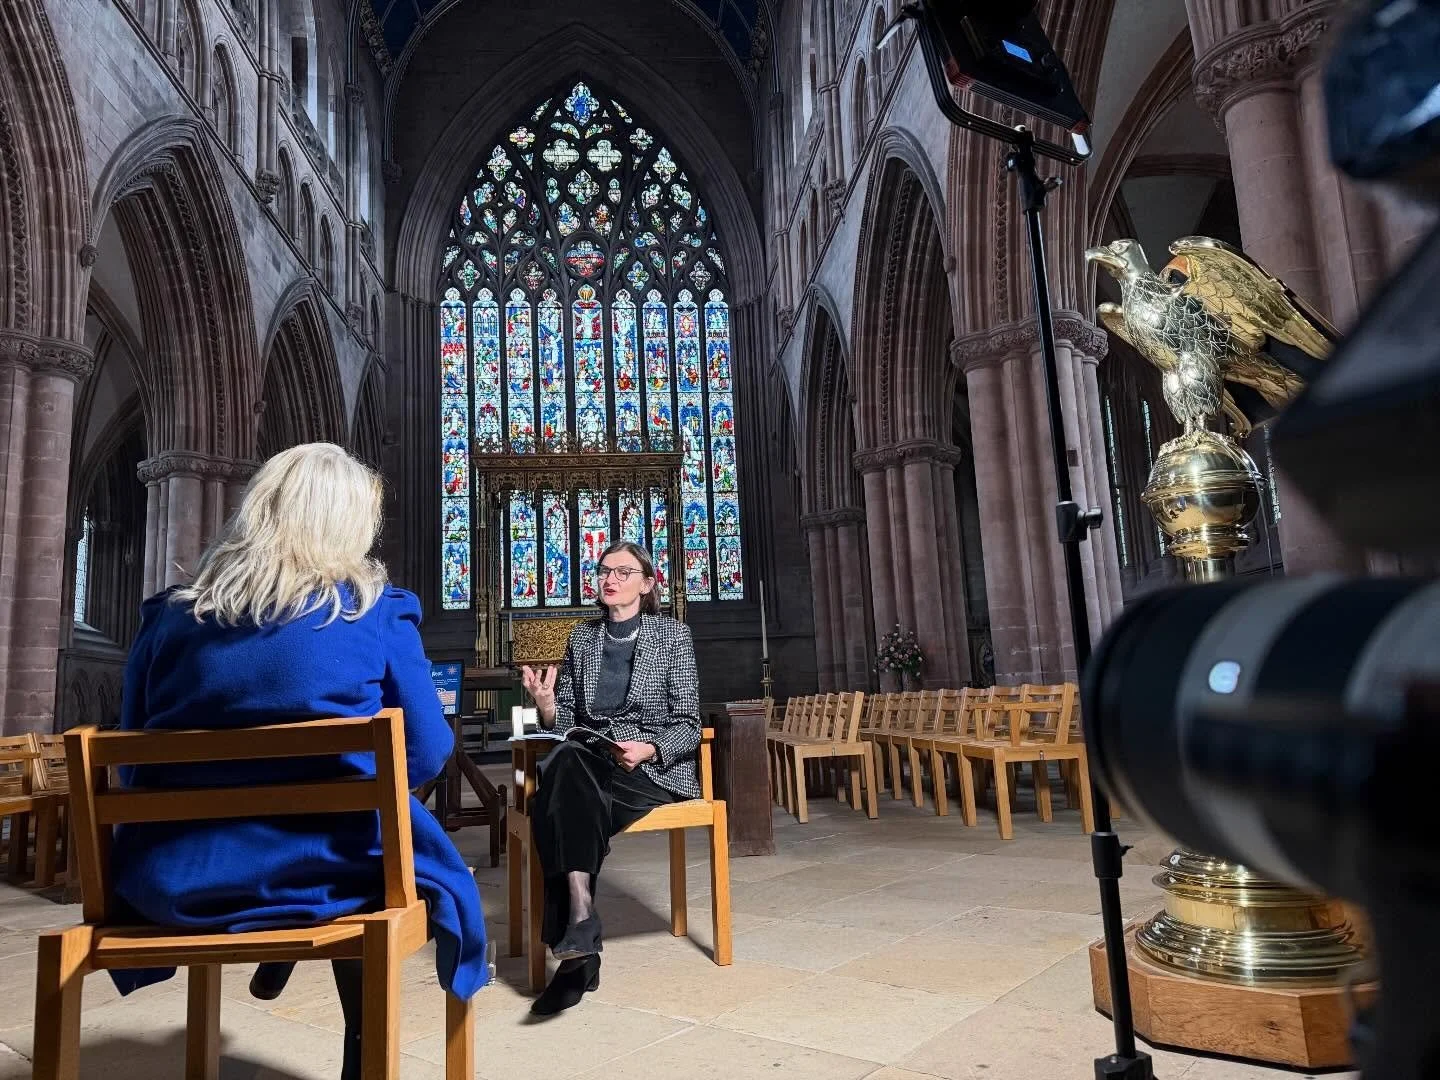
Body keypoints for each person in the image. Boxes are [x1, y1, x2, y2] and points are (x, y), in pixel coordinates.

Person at [108, 442, 488, 1079]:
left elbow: (131, 756)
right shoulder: (374, 611)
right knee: (375, 850)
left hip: (180, 878)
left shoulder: (169, 620)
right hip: (329, 870)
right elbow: (426, 752)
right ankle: (363, 1051)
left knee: (349, 837)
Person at [520, 539, 700, 1016]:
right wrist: (545, 705)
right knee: (569, 761)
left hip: (646, 769)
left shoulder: (672, 636)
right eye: (603, 570)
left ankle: (578, 957)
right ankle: (581, 919)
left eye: (622, 571)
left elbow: (687, 723)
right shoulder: (583, 639)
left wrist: (649, 748)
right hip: (590, 762)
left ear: (647, 583)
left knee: (554, 796)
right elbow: (565, 724)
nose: (609, 578)